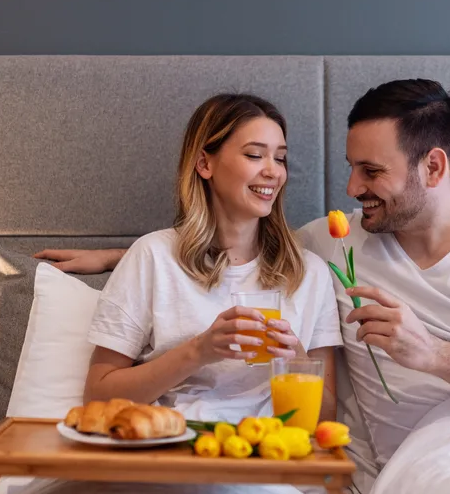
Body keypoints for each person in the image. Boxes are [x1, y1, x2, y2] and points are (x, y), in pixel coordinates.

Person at [37, 79, 450, 471]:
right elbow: (216, 253)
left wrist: (433, 354)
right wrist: (121, 256)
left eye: (371, 171)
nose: (350, 189)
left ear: (433, 167)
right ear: (205, 163)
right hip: (416, 472)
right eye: (351, 168)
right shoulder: (330, 245)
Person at [70, 93, 342, 424]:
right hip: (172, 446)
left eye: (281, 159)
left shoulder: (308, 273)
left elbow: (327, 417)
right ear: (205, 164)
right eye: (255, 155)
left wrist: (296, 361)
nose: (274, 172)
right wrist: (198, 351)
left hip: (268, 453)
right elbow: (97, 397)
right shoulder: (153, 257)